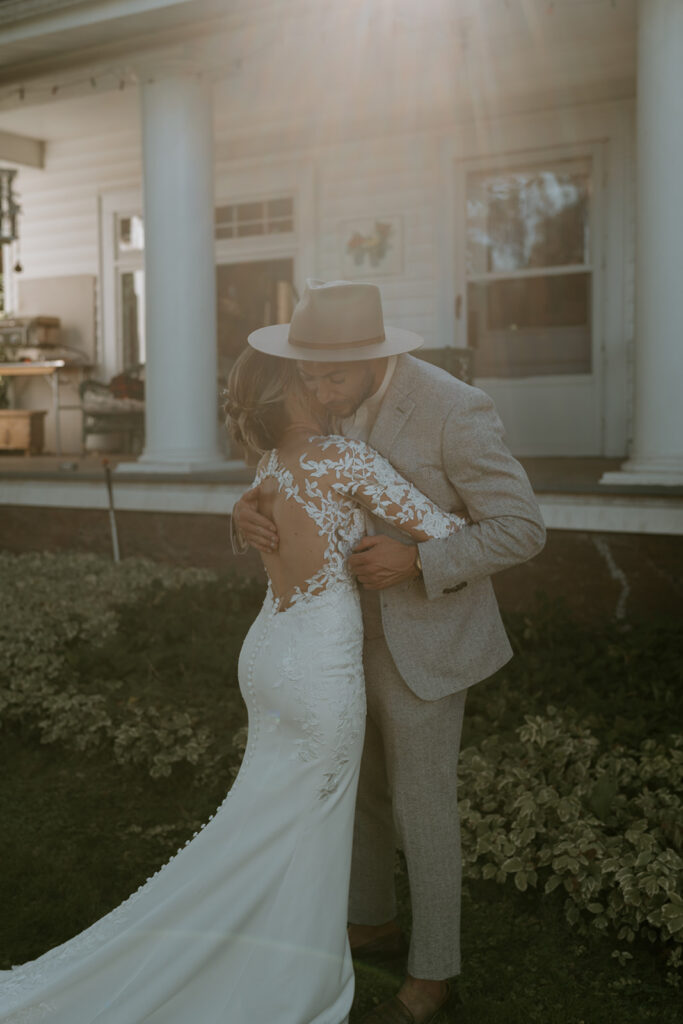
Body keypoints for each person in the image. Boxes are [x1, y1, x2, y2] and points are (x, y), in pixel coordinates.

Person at [0, 285, 469, 1024]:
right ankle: (293, 971)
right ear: (293, 392)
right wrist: (412, 537)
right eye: (308, 377)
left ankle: (283, 934)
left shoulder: (269, 467)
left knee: (259, 821)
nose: (320, 385)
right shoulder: (344, 459)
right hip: (318, 664)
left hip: (269, 651)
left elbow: (284, 523)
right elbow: (442, 527)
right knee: (308, 822)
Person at [233, 278, 547, 1024]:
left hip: (428, 638)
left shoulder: (452, 407)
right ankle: (370, 922)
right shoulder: (315, 408)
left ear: (377, 357)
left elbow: (521, 527)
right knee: (358, 793)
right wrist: (246, 516)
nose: (319, 389)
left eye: (333, 374)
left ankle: (434, 975)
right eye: (307, 375)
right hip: (334, 643)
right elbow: (302, 492)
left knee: (420, 808)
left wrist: (417, 564)